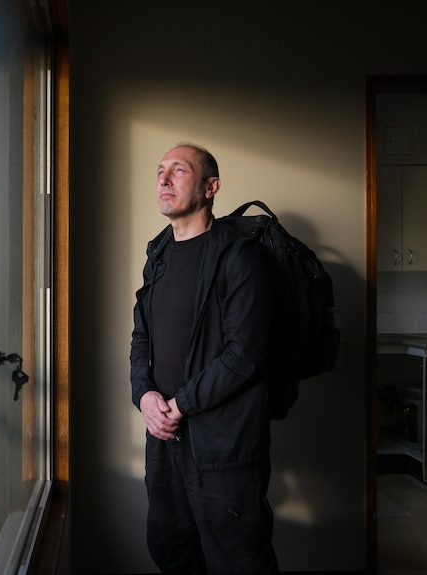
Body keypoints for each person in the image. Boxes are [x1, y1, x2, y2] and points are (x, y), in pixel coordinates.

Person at [130, 143, 280, 574]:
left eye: (178, 170)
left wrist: (179, 405)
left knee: (238, 559)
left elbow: (244, 354)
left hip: (224, 445)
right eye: (160, 170)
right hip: (164, 440)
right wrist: (144, 396)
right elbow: (141, 338)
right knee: (170, 548)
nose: (163, 179)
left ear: (211, 187)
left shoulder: (239, 256)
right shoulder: (156, 254)